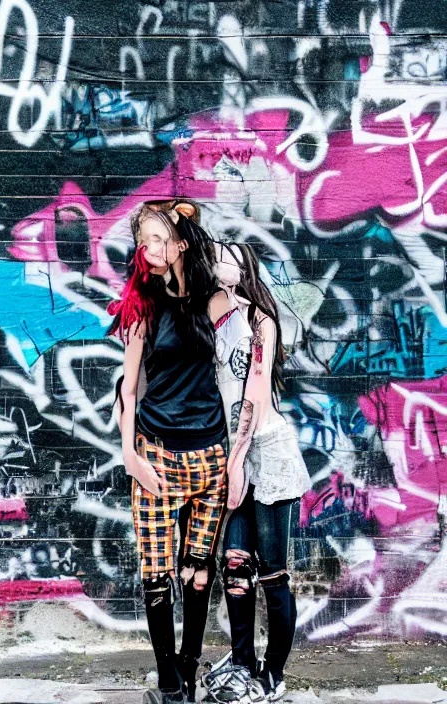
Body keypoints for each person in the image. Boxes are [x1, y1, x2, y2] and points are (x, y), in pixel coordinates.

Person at [108, 200, 231, 704]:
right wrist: (130, 456)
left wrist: (188, 230)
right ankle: (168, 682)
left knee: (198, 570)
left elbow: (243, 360)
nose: (149, 249)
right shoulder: (143, 307)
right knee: (157, 574)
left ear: (180, 244)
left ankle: (188, 666)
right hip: (155, 457)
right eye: (144, 240)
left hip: (210, 459)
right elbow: (129, 390)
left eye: (160, 238)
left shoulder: (216, 300)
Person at [204, 242, 311, 704]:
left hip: (267, 452)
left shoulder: (260, 322)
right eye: (212, 253)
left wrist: (235, 460)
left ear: (245, 264)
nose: (216, 258)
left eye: (226, 253)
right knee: (233, 564)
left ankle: (274, 672)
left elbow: (252, 393)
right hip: (235, 454)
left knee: (271, 573)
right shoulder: (213, 311)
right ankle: (244, 661)